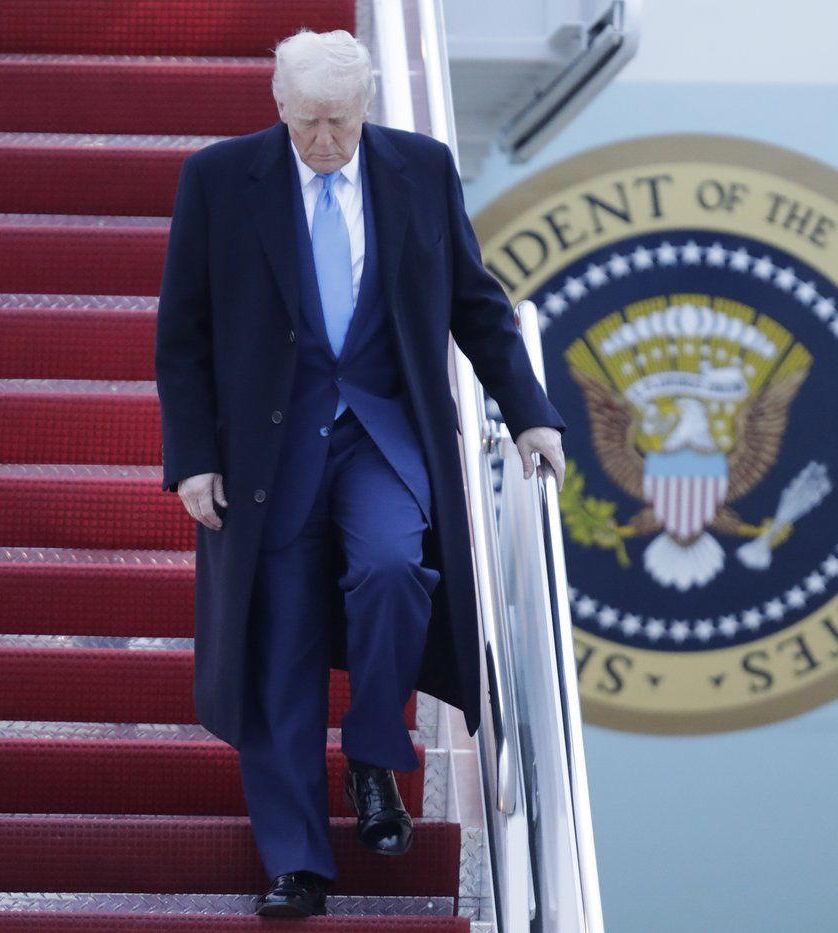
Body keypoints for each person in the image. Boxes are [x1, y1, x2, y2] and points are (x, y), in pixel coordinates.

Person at [153, 27, 566, 918]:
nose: (324, 142)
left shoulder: (420, 169)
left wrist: (530, 412)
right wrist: (190, 461)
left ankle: (374, 751)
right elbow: (181, 336)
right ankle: (298, 862)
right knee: (283, 644)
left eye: (339, 123)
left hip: (382, 432)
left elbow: (475, 303)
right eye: (306, 123)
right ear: (278, 105)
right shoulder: (220, 180)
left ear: (367, 107)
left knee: (390, 569)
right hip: (269, 453)